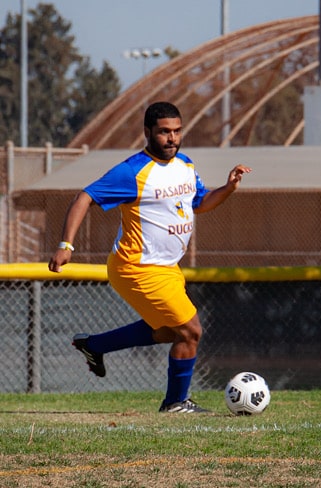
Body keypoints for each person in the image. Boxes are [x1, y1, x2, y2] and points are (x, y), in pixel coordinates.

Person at [48, 101, 251, 413]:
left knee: (172, 331)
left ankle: (95, 345)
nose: (171, 138)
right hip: (136, 268)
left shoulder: (185, 165)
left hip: (167, 268)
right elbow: (84, 196)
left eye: (177, 131)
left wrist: (228, 188)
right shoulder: (132, 172)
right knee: (191, 330)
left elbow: (200, 202)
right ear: (148, 133)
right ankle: (175, 403)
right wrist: (66, 244)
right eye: (164, 132)